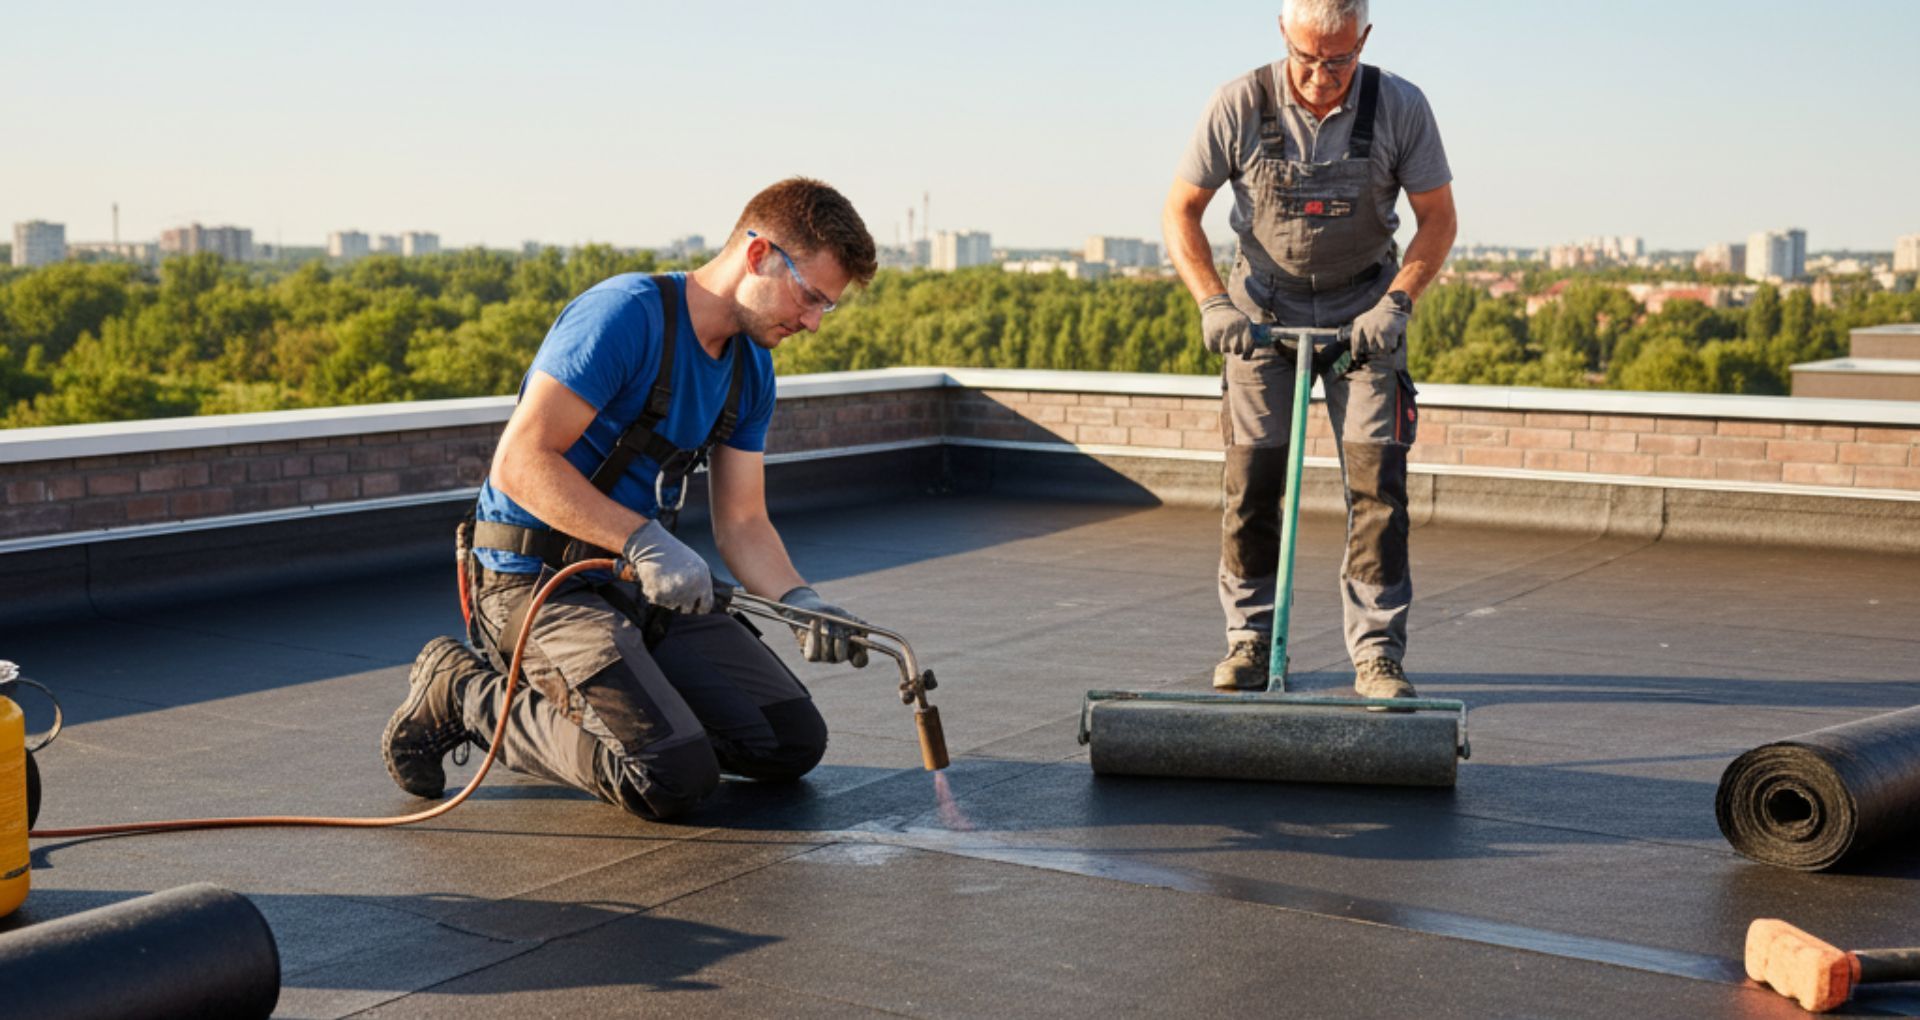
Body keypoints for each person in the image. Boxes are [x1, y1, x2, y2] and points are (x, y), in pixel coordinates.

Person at [381, 177, 879, 820]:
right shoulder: (626, 316)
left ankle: (638, 705)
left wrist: (799, 600)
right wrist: (642, 539)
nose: (811, 322)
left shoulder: (750, 369)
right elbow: (519, 463)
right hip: (533, 583)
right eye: (809, 296)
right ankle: (463, 691)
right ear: (759, 255)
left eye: (825, 308)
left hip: (635, 583)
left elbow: (743, 521)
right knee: (668, 776)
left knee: (789, 741)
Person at [1162, 0, 1457, 698]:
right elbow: (1180, 211)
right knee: (1252, 483)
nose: (1321, 76)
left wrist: (1397, 303)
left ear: (1365, 39)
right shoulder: (1237, 103)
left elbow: (1438, 219)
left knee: (1377, 487)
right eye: (1306, 58)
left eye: (1339, 60)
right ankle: (1250, 642)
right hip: (1262, 311)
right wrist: (1213, 301)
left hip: (1366, 312)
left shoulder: (1401, 106)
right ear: (1282, 35)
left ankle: (1377, 653)